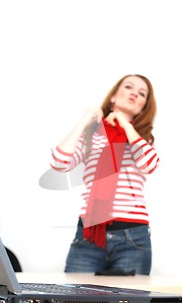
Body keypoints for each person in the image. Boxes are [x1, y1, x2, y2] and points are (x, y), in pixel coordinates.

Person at [50, 74, 159, 275]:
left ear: (143, 107)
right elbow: (59, 162)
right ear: (113, 97)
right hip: (89, 234)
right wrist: (84, 121)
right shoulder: (92, 134)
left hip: (133, 236)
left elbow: (149, 164)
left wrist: (126, 125)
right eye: (128, 87)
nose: (135, 93)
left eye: (142, 93)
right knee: (75, 301)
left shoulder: (142, 137)